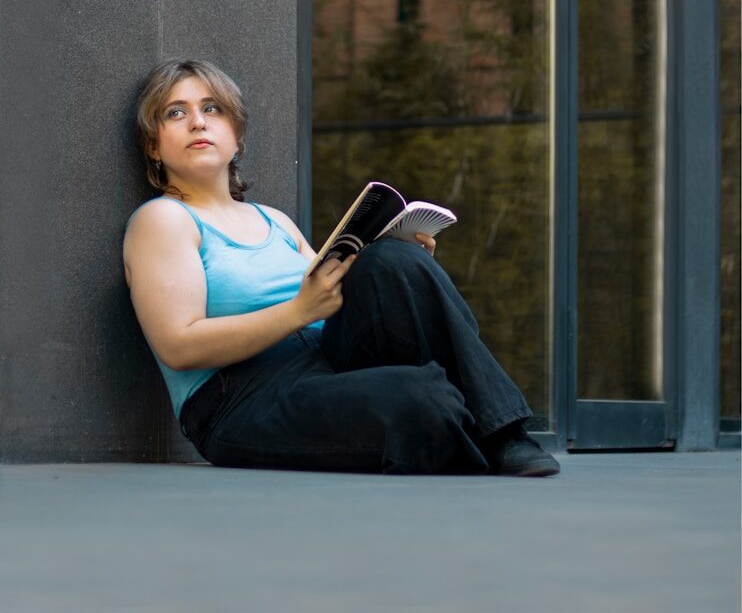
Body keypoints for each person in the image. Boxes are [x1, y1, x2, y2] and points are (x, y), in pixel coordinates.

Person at [123, 58, 560, 477]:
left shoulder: (274, 220)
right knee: (424, 399)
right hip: (240, 397)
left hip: (324, 362)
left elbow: (335, 295)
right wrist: (297, 312)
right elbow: (178, 346)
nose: (198, 122)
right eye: (176, 112)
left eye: (212, 108)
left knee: (391, 261)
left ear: (236, 134)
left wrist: (402, 263)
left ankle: (503, 432)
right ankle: (453, 428)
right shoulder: (163, 221)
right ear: (153, 144)